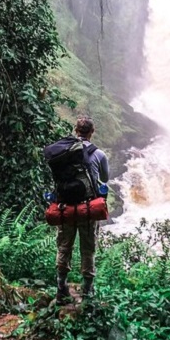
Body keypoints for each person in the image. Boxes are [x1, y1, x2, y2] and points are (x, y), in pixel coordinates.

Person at [56, 116, 109, 300]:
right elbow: (105, 177)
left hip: (65, 207)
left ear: (75, 130)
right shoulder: (99, 154)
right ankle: (87, 291)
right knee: (88, 249)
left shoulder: (62, 151)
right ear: (91, 133)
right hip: (87, 209)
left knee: (64, 247)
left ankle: (61, 287)